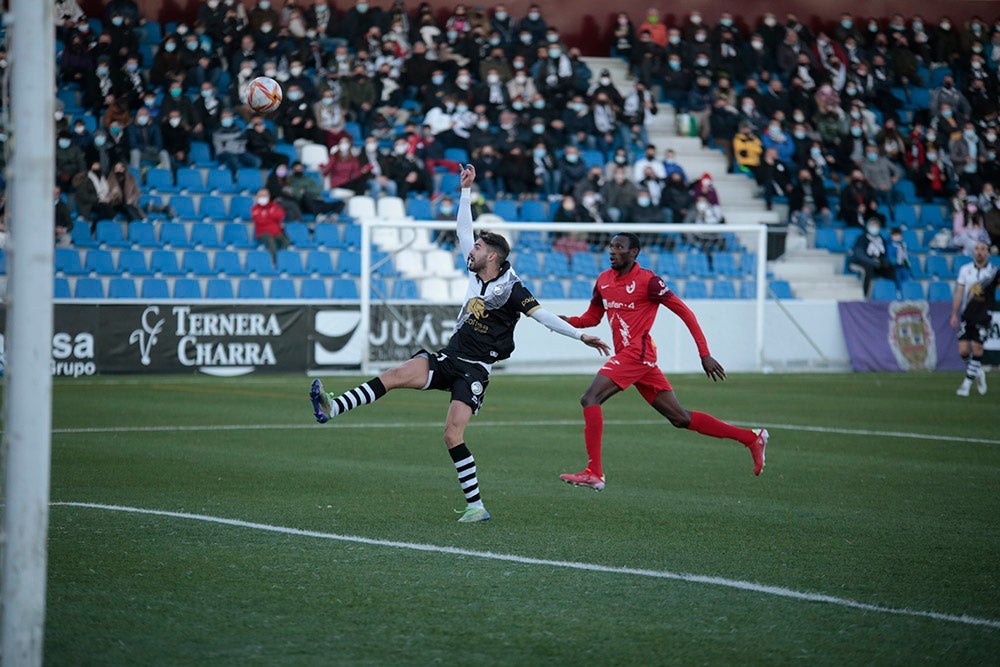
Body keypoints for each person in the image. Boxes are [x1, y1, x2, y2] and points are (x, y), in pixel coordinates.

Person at [308, 165, 611, 523]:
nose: (471, 250)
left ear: (493, 256)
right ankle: (333, 407)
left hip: (475, 370)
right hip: (450, 356)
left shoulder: (512, 289)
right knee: (394, 374)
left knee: (452, 435)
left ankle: (476, 506)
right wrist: (465, 192)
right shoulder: (476, 270)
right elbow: (462, 230)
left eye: (479, 248)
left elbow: (543, 316)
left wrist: (580, 335)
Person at [557, 232, 768, 491]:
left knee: (590, 398)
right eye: (611, 246)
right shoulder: (603, 280)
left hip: (637, 353)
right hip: (634, 358)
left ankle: (594, 472)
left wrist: (704, 353)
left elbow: (685, 313)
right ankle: (751, 438)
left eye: (619, 247)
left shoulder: (649, 282)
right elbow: (592, 317)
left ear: (633, 253)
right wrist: (565, 323)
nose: (612, 251)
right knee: (679, 418)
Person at [951, 241, 999, 397]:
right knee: (963, 350)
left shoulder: (994, 272)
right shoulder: (965, 270)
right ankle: (977, 371)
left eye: (983, 249)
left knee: (977, 348)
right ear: (973, 252)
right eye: (977, 249)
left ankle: (967, 383)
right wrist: (954, 313)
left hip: (984, 315)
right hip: (967, 314)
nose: (979, 252)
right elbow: (959, 292)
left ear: (988, 253)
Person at [849, 216, 896, 297]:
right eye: (872, 225)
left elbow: (884, 255)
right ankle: (864, 295)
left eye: (876, 226)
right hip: (861, 262)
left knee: (890, 268)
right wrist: (872, 261)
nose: (874, 228)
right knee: (868, 268)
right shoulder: (862, 238)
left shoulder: (881, 239)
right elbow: (859, 254)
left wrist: (883, 262)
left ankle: (890, 294)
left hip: (875, 263)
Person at [251, 187, 290, 263]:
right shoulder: (255, 209)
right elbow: (260, 221)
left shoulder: (274, 205)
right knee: (270, 240)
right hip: (263, 233)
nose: (262, 198)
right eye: (261, 196)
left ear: (268, 197)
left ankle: (281, 258)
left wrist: (267, 215)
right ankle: (275, 262)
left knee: (286, 240)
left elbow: (281, 215)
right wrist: (271, 215)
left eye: (264, 196)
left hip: (276, 232)